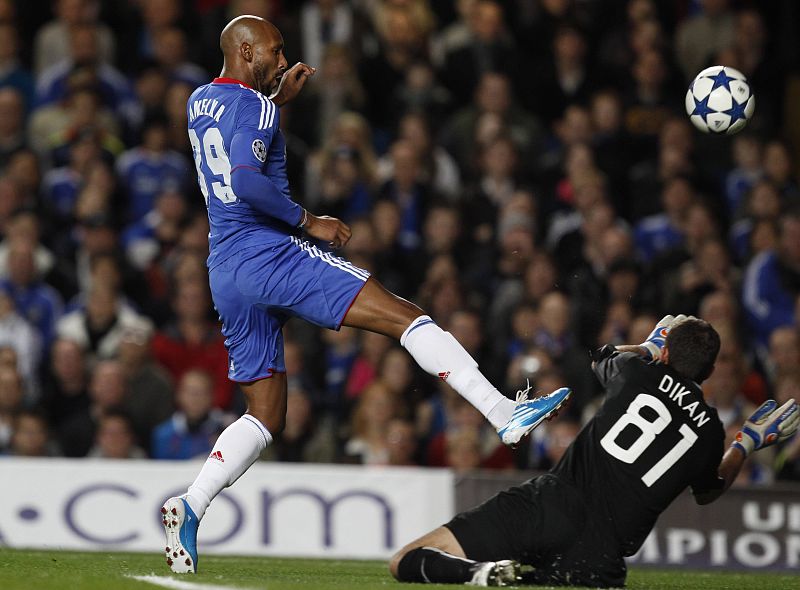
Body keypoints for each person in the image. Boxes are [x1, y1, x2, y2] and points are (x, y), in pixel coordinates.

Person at [161, 15, 571, 575]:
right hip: (269, 252)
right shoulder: (255, 108)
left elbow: (235, 139)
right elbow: (249, 180)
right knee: (405, 316)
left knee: (266, 415)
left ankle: (191, 504)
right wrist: (312, 221)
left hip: (225, 267)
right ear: (248, 49)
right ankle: (503, 412)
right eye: (276, 52)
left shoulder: (199, 100)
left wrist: (277, 102)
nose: (283, 61)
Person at [389, 316, 799, 587]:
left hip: (548, 505)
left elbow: (602, 358)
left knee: (405, 560)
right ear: (709, 372)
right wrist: (744, 444)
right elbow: (708, 491)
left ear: (668, 353)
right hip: (599, 556)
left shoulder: (638, 372)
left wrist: (648, 347)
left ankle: (478, 574)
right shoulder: (710, 433)